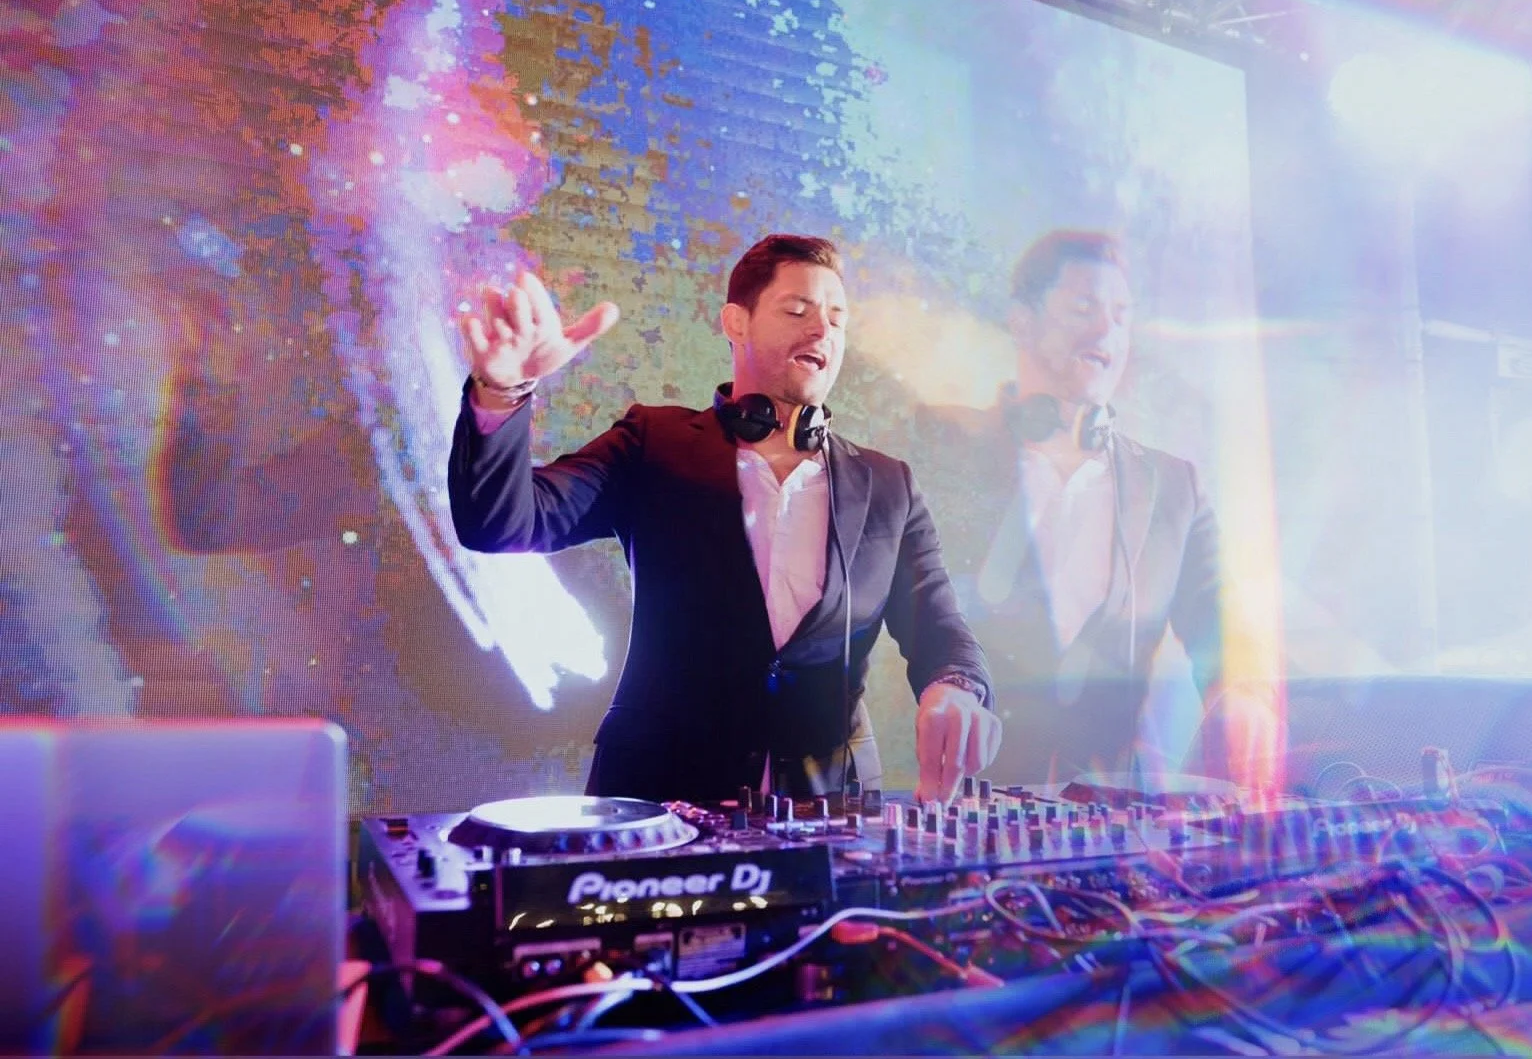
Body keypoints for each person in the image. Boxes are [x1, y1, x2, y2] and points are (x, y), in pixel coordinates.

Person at [449, 234, 999, 805]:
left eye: (837, 318)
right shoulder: (653, 443)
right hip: (659, 798)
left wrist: (955, 687)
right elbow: (500, 522)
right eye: (798, 310)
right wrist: (503, 392)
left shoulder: (888, 485)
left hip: (831, 805)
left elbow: (939, 626)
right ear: (736, 323)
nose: (823, 330)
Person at [917, 230, 1277, 789]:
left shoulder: (1173, 486)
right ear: (1022, 321)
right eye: (1084, 308)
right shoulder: (939, 452)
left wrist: (1242, 694)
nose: (1106, 329)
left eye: (1120, 315)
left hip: (1112, 807)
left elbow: (1218, 618)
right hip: (953, 801)